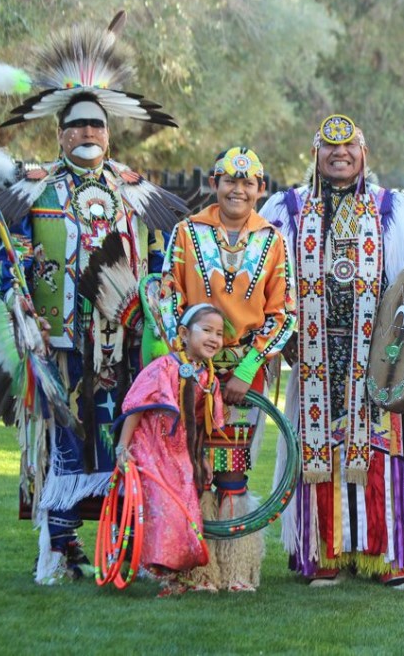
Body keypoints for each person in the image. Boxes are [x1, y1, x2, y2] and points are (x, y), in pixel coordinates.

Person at [0, 14, 187, 583]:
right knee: (66, 441)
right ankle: (59, 548)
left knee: (123, 441)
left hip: (123, 340)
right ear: (60, 134)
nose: (88, 136)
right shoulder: (33, 188)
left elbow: (157, 253)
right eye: (78, 129)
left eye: (97, 128)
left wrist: (156, 289)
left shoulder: (135, 188)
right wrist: (19, 303)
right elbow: (9, 260)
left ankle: (123, 539)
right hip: (60, 342)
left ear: (110, 134)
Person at [260, 114, 404, 589]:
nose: (340, 155)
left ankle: (393, 555)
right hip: (314, 350)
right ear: (315, 154)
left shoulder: (390, 209)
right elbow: (270, 279)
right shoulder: (288, 210)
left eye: (350, 148)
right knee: (320, 446)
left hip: (381, 353)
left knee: (385, 446)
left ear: (364, 154)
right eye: (329, 148)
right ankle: (325, 554)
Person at [161, 147, 295, 592]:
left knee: (232, 471)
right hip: (192, 373)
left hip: (245, 375)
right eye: (229, 180)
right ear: (215, 184)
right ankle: (194, 568)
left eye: (248, 181)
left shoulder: (272, 239)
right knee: (192, 466)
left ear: (260, 189)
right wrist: (187, 356)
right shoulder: (186, 233)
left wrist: (249, 366)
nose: (238, 188)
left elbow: (284, 314)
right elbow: (166, 298)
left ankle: (236, 570)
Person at [113, 303, 225, 596]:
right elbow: (137, 408)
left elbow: (200, 423)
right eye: (207, 331)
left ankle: (179, 571)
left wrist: (201, 457)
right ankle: (165, 573)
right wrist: (123, 447)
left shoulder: (207, 377)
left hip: (180, 452)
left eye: (220, 333)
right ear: (184, 334)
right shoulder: (164, 367)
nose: (214, 338)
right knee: (166, 508)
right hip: (151, 445)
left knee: (187, 508)